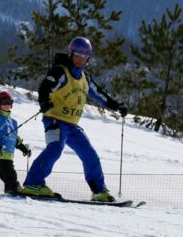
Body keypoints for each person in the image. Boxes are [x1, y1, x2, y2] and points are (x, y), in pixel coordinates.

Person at [21, 37, 128, 202]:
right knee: (55, 149)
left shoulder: (85, 78)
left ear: (88, 58)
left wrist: (116, 106)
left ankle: (99, 191)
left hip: (72, 125)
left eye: (84, 57)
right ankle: (33, 183)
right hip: (55, 120)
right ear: (71, 54)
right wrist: (44, 101)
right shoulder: (61, 71)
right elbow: (45, 87)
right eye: (77, 55)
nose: (80, 60)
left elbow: (99, 94)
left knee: (89, 154)